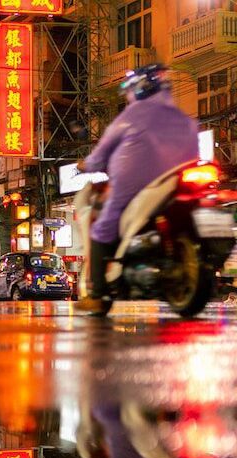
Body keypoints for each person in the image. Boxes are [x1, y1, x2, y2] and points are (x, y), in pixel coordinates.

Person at [76, 64, 199, 314]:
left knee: (101, 229)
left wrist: (87, 164)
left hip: (136, 184)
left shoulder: (133, 114)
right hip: (178, 180)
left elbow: (101, 154)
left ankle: (98, 295)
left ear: (140, 88)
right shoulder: (183, 118)